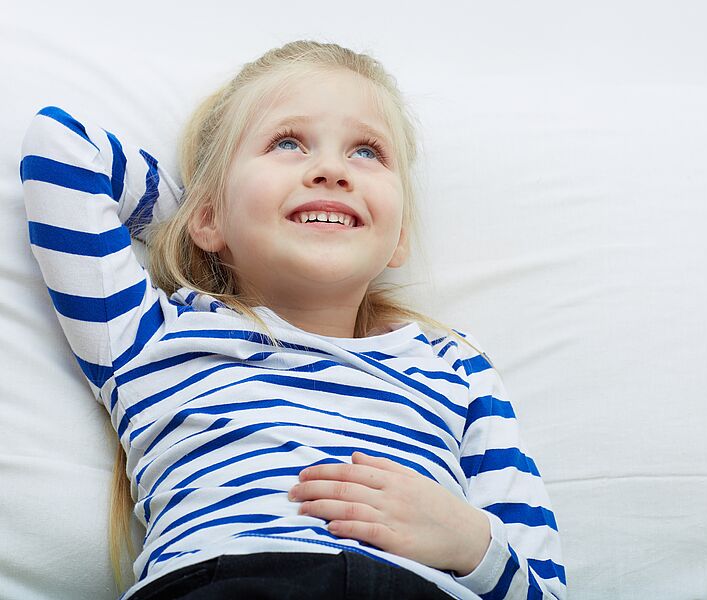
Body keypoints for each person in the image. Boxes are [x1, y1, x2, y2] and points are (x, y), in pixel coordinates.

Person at [19, 40, 566, 600]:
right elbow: (60, 148)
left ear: (399, 236)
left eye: (368, 153)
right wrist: (202, 223)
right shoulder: (152, 338)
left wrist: (470, 544)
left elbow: (544, 591)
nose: (331, 169)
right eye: (288, 142)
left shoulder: (456, 364)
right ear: (207, 216)